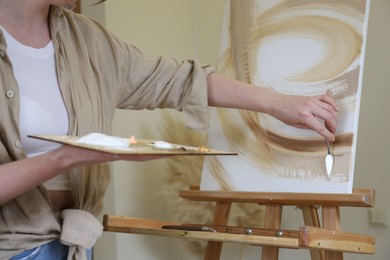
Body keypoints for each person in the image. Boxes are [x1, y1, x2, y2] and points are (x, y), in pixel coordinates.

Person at [0, 0, 338, 259]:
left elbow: (178, 80)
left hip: (75, 244)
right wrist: (63, 159)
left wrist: (279, 103)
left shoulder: (86, 39)